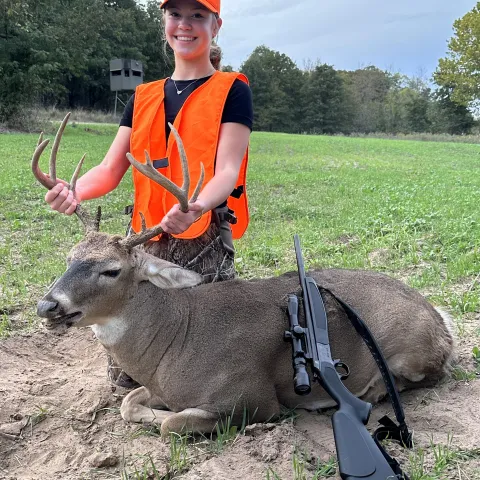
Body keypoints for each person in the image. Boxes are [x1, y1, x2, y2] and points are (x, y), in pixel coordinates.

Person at [44, 0, 253, 387]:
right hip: (139, 245)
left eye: (197, 15)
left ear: (216, 25)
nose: (185, 25)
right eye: (175, 14)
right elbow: (109, 170)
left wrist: (197, 206)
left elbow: (227, 169)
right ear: (164, 23)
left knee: (204, 361)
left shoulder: (231, 91)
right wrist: (73, 191)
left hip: (201, 238)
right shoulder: (144, 97)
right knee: (127, 377)